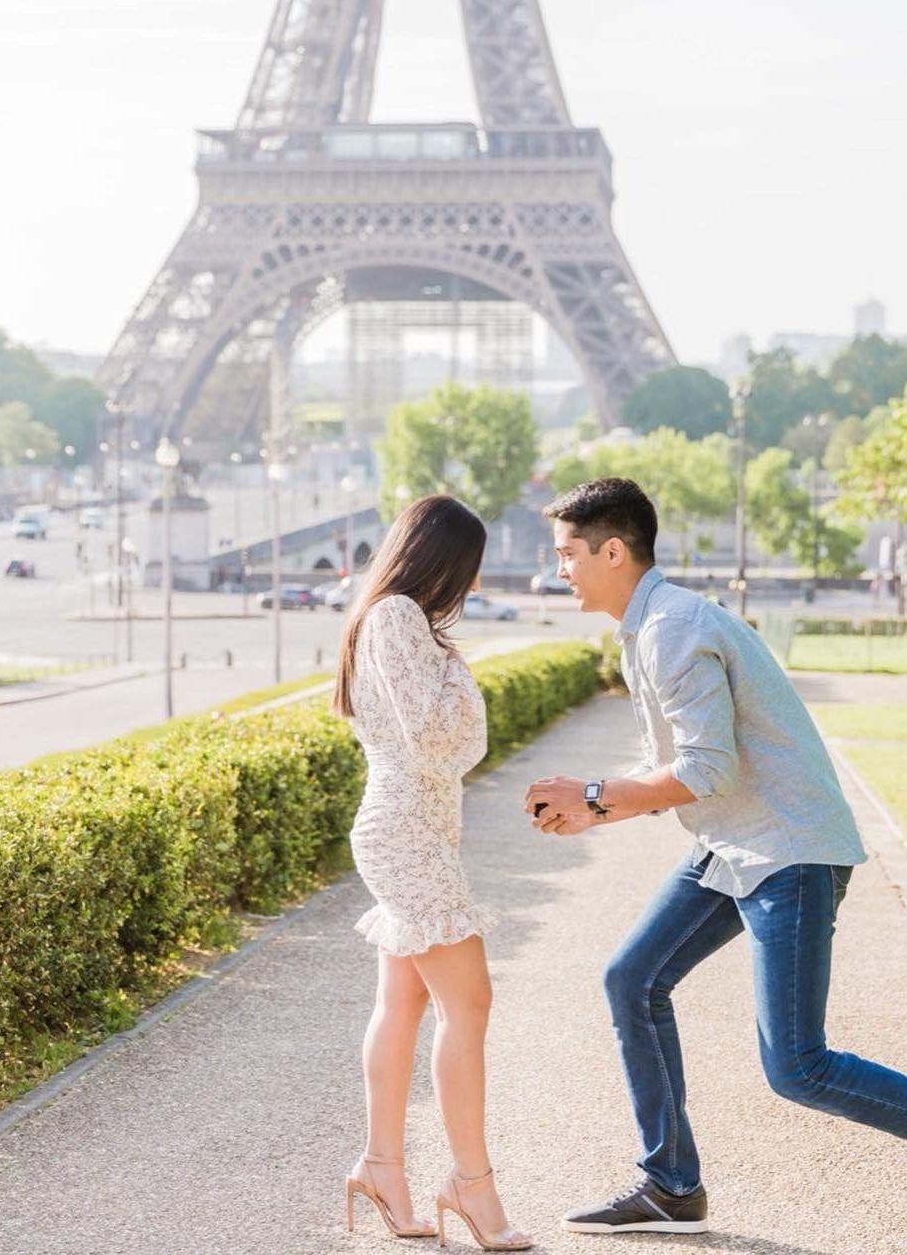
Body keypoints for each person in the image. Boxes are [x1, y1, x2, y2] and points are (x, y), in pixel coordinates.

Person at [524, 479, 907, 1252]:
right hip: (734, 846)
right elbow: (681, 765)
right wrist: (594, 809)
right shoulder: (647, 629)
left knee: (798, 1066)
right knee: (631, 979)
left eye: (567, 554)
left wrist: (596, 793)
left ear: (613, 552)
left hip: (788, 850)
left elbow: (704, 770)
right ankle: (672, 1185)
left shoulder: (672, 629)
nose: (558, 570)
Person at [331, 495, 530, 1251]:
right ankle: (471, 1185)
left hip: (409, 826)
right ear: (440, 560)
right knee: (469, 1002)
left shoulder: (388, 618)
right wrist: (458, 678)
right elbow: (437, 738)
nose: (473, 586)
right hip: (406, 829)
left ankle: (382, 1166)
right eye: (470, 569)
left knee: (405, 1001)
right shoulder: (397, 618)